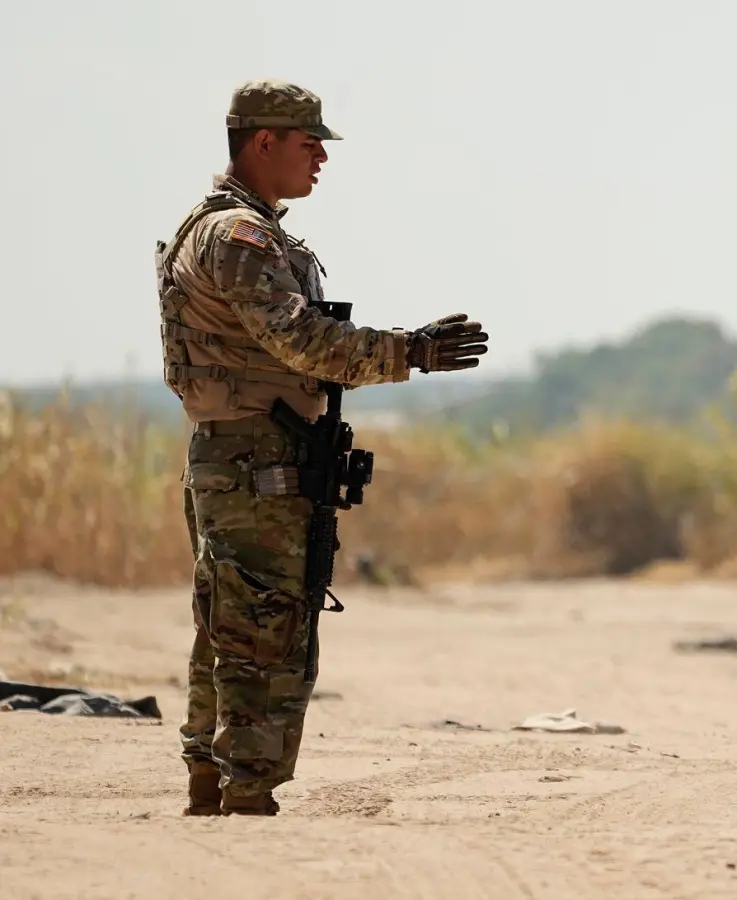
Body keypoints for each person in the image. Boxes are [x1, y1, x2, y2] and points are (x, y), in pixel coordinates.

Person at [160, 80, 492, 816]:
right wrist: (415, 352)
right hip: (254, 461)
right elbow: (302, 342)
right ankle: (244, 788)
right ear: (261, 143)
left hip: (245, 454)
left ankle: (214, 776)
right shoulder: (237, 237)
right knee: (266, 623)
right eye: (307, 142)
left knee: (233, 617)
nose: (321, 157)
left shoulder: (242, 230)